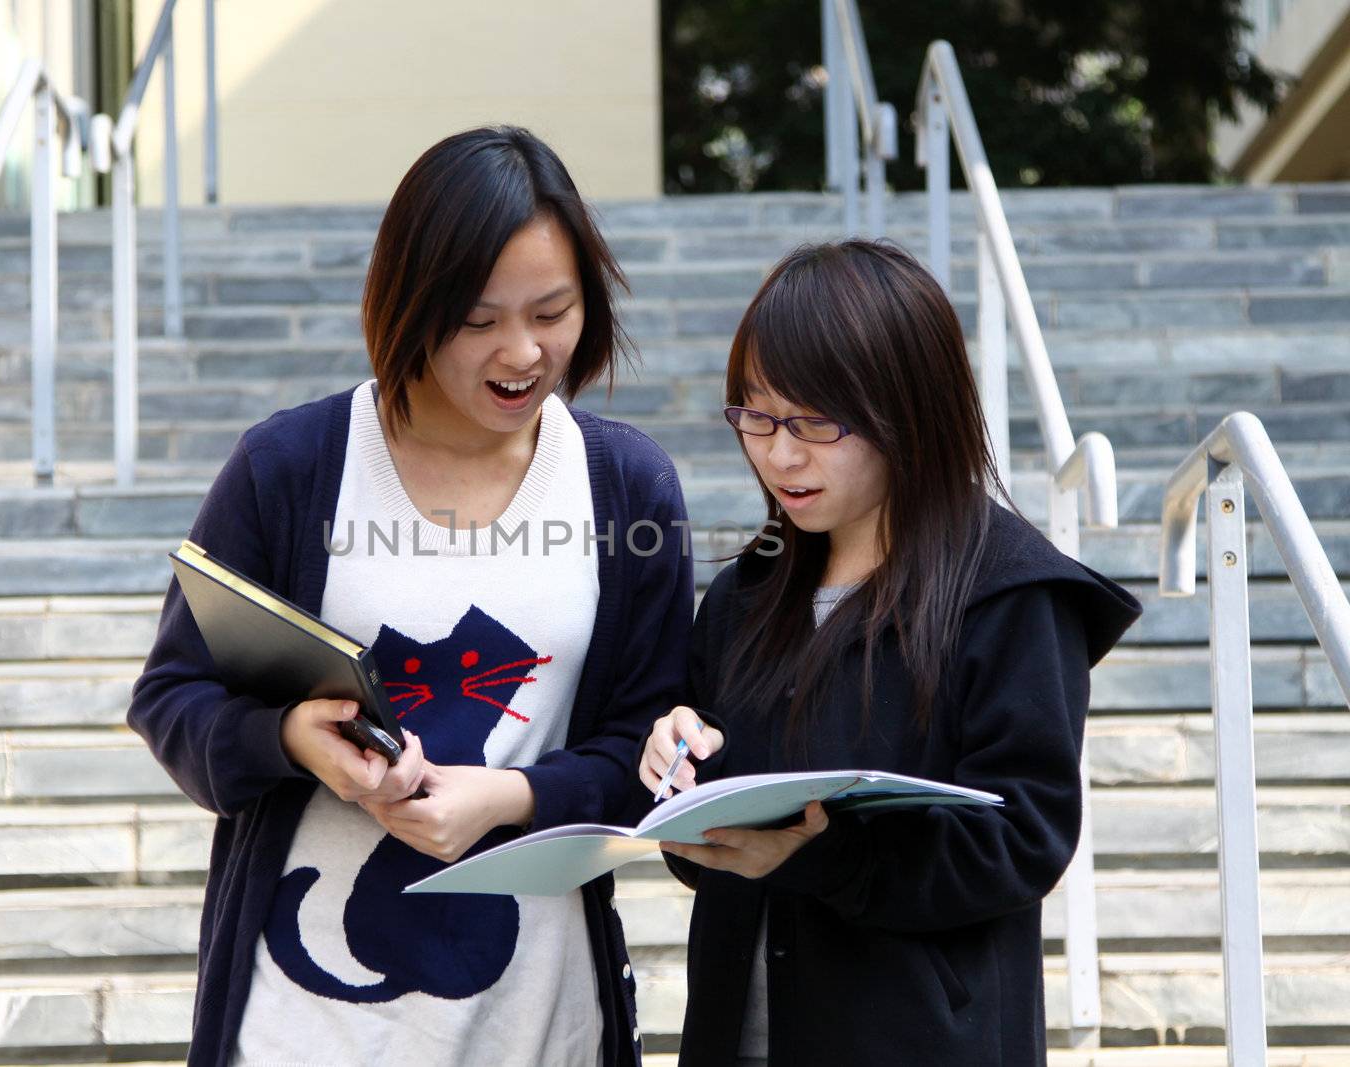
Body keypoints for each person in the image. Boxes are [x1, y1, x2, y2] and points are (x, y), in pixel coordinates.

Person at [128, 125, 694, 1066]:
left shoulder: (626, 487)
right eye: (478, 320)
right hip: (296, 1024)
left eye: (553, 311)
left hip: (538, 1019)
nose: (522, 352)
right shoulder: (290, 467)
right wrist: (289, 739)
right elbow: (173, 698)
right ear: (409, 303)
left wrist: (511, 795)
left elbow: (644, 753)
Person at [637, 240, 1142, 1066]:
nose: (780, 453)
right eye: (756, 416)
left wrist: (821, 853)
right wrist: (678, 768)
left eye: (815, 423)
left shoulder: (1009, 594)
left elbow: (1023, 841)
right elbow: (702, 857)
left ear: (908, 411)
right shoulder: (748, 593)